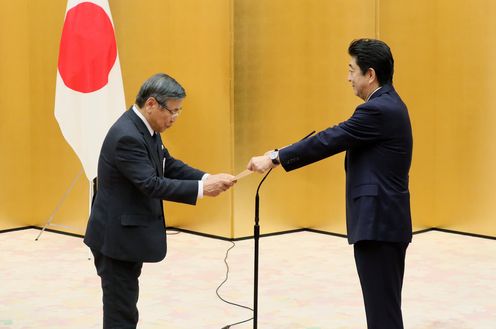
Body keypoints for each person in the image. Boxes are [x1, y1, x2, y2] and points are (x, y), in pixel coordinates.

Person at [247, 38, 413, 329]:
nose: (348, 77)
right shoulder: (387, 104)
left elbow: (329, 140)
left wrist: (275, 157)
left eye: (352, 70)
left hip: (379, 225)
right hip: (384, 224)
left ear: (370, 74)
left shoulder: (378, 110)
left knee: (382, 315)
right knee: (383, 310)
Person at [84, 73, 236, 328]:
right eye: (173, 111)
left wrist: (207, 177)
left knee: (126, 306)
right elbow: (150, 184)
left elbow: (167, 164)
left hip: (126, 235)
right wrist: (201, 189)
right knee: (120, 312)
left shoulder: (146, 128)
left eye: (179, 111)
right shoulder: (127, 136)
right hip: (114, 239)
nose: (175, 118)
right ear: (152, 104)